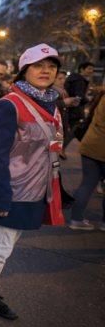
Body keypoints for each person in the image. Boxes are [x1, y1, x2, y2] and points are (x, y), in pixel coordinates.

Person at [0, 44, 65, 327]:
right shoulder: (9, 104)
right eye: (38, 65)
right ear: (24, 70)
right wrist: (1, 194)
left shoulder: (51, 103)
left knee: (5, 250)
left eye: (51, 66)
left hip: (37, 189)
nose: (46, 71)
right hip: (13, 190)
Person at [69, 95, 105, 231]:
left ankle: (76, 219)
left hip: (91, 145)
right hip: (100, 147)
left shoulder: (102, 95)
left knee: (87, 184)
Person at [65, 61, 93, 130]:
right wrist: (88, 99)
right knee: (72, 133)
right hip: (74, 112)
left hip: (69, 110)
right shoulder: (79, 81)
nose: (91, 71)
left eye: (92, 69)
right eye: (89, 69)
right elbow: (79, 96)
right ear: (82, 69)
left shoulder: (75, 78)